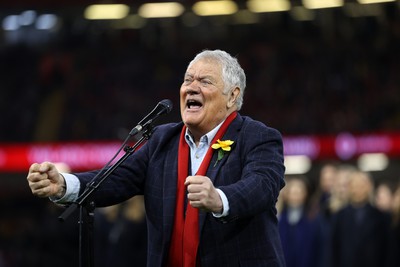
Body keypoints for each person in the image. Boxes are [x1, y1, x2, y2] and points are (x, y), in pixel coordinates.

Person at [26, 49, 286, 267]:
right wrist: (62, 184)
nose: (191, 88)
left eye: (205, 81)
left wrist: (219, 199)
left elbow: (262, 185)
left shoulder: (259, 137)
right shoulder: (162, 140)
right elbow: (115, 179)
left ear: (233, 96)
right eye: (188, 80)